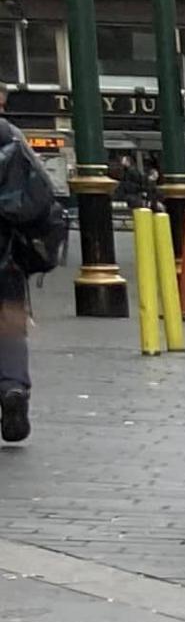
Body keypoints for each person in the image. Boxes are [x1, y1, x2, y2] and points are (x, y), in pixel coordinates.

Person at [0, 127, 60, 445]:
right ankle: (13, 386)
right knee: (9, 325)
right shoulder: (8, 135)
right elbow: (39, 195)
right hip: (5, 253)